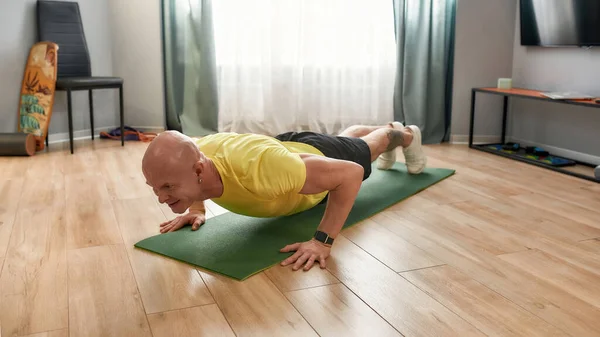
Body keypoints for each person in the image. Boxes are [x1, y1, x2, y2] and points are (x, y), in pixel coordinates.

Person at [141, 122, 427, 272]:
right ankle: (368, 134)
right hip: (287, 149)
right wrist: (196, 205)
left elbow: (350, 174)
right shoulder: (196, 155)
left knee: (365, 149)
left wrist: (321, 242)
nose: (161, 199)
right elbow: (190, 171)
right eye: (155, 188)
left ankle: (402, 133)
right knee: (344, 141)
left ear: (199, 169)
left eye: (168, 188)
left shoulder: (260, 170)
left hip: (309, 158)